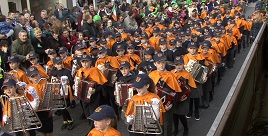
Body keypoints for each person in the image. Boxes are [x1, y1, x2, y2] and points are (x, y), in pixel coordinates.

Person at [149, 53, 182, 136]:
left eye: (163, 62)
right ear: (155, 64)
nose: (161, 65)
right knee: (157, 125)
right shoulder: (151, 75)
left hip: (167, 105)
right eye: (159, 63)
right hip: (154, 104)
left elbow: (176, 92)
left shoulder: (170, 75)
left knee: (168, 125)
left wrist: (171, 104)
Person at [75, 54, 108, 131]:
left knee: (94, 113)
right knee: (87, 113)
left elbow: (102, 85)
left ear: (90, 61)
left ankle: (94, 129)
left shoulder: (95, 70)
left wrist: (95, 90)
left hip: (94, 96)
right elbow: (77, 82)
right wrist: (75, 86)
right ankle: (91, 128)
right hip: (83, 96)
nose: (84, 64)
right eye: (83, 62)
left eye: (86, 61)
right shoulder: (80, 71)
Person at [171, 56, 197, 136]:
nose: (178, 66)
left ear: (183, 64)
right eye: (177, 64)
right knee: (174, 114)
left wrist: (187, 96)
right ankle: (176, 128)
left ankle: (186, 128)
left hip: (183, 98)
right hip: (174, 97)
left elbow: (192, 86)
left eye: (180, 64)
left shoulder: (187, 74)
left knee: (181, 114)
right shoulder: (171, 73)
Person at [26, 66, 53, 136]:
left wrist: (51, 109)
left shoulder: (45, 83)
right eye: (32, 76)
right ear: (29, 78)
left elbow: (50, 97)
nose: (35, 78)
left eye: (36, 75)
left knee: (49, 132)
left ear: (39, 74)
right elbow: (28, 102)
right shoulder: (28, 87)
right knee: (41, 131)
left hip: (46, 110)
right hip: (37, 112)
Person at [50, 56, 74, 130]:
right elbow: (51, 83)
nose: (59, 65)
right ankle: (65, 121)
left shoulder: (67, 71)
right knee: (61, 107)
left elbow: (71, 81)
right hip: (57, 92)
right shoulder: (53, 73)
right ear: (54, 65)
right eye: (58, 64)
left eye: (60, 63)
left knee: (64, 107)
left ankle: (70, 121)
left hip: (65, 92)